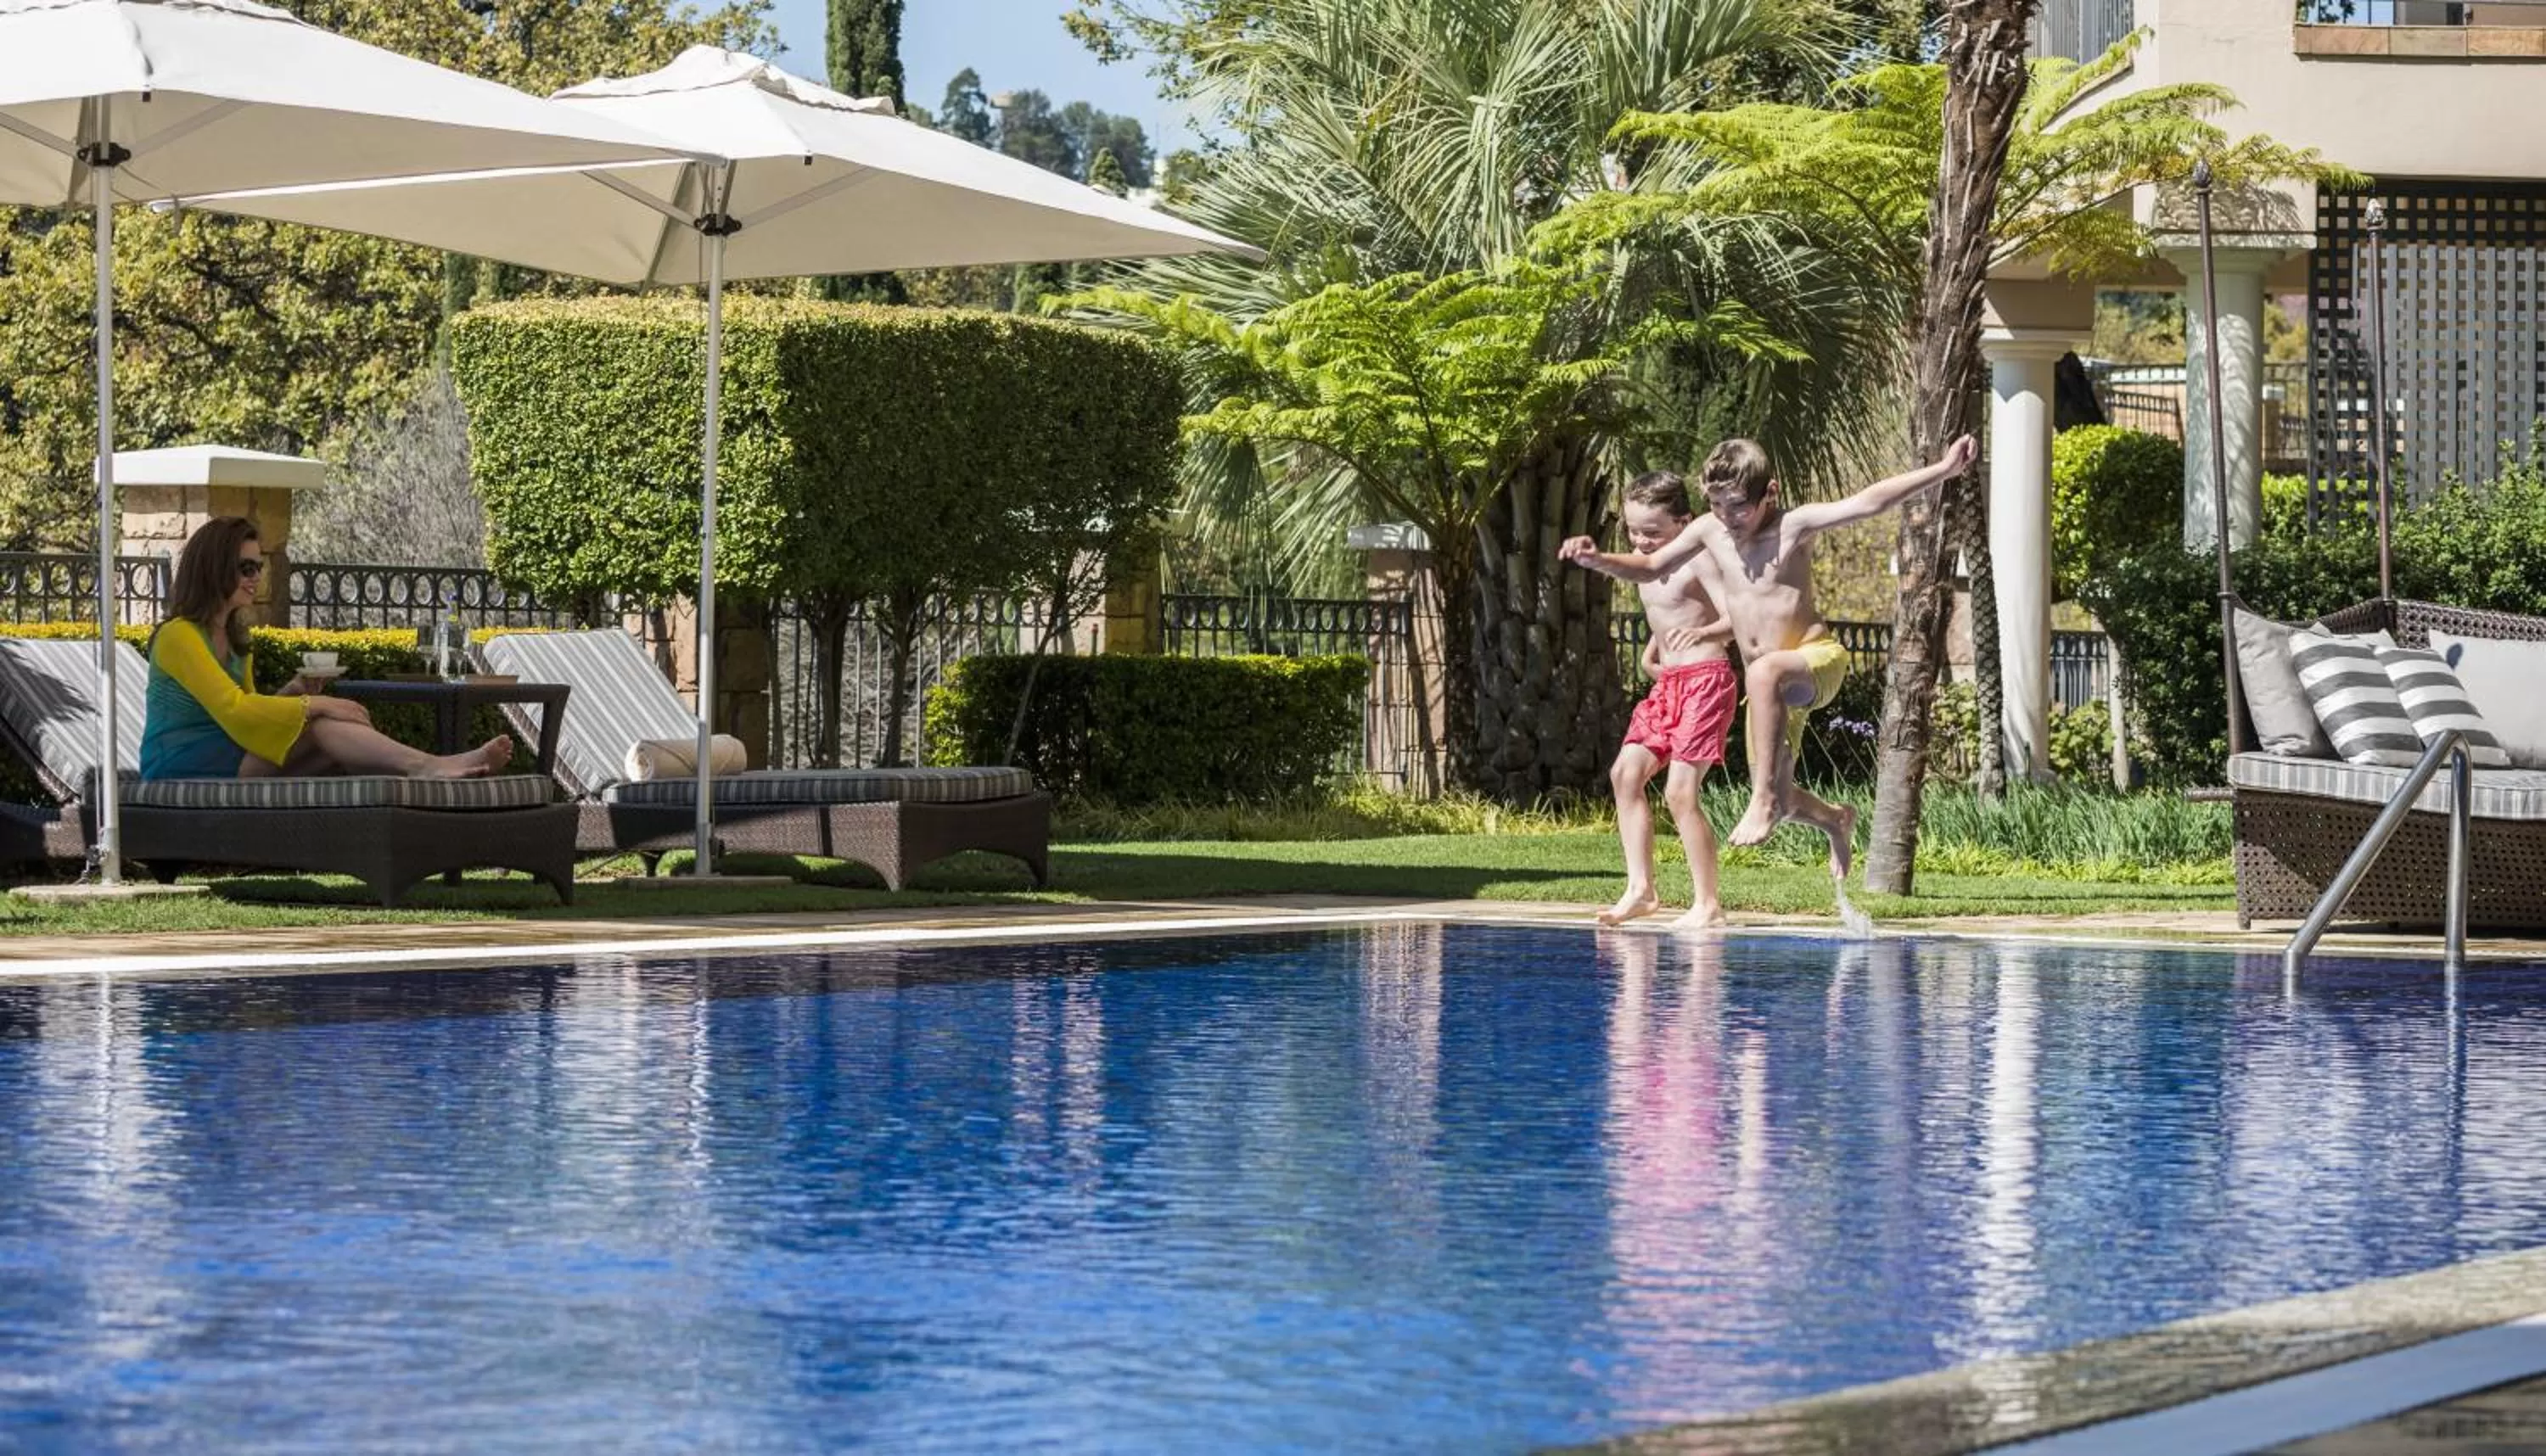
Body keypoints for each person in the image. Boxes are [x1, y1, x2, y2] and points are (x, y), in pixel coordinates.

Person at [1562, 434, 1979, 882]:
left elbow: (1868, 502)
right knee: (1784, 796)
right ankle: (1835, 819)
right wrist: (1597, 559)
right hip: (1771, 694)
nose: (1728, 518)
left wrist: (1943, 470)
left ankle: (1759, 800)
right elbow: (1650, 567)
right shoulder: (1709, 531)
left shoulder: (1794, 527)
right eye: (1718, 505)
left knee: (1762, 673)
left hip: (1814, 660)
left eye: (1739, 505)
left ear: (1771, 493)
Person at [140, 517, 513, 781]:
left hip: (231, 751)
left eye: (259, 567)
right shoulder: (179, 636)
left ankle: (418, 803)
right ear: (214, 568)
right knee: (322, 725)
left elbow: (251, 709)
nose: (256, 577)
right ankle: (429, 767)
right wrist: (317, 705)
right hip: (180, 761)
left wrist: (293, 693)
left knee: (340, 751)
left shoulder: (238, 641)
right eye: (246, 567)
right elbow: (235, 711)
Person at [1576, 471, 1737, 930]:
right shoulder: (1643, 566)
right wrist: (1654, 656)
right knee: (1625, 774)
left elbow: (1738, 615)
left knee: (1680, 793)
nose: (1641, 541)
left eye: (1653, 532)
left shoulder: (1699, 560)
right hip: (1669, 684)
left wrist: (1704, 634)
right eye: (1633, 531)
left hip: (1706, 681)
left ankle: (1708, 903)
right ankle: (1641, 889)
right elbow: (1665, 617)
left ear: (1685, 523)